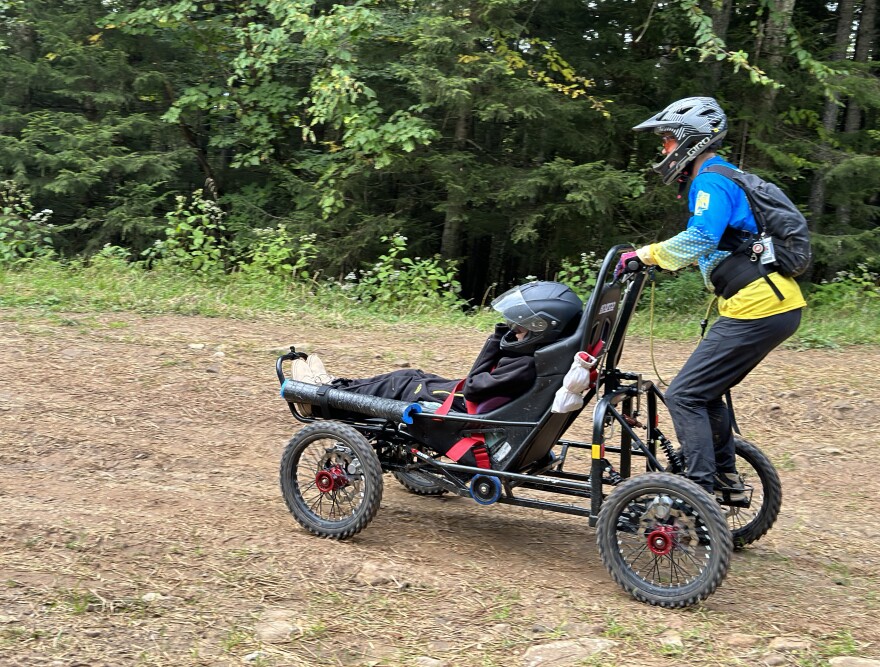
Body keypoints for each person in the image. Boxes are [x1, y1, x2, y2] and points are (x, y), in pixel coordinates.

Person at [620, 96, 806, 500]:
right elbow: (718, 244)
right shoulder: (724, 175)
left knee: (684, 394)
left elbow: (702, 236)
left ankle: (695, 491)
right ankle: (725, 480)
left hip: (759, 306)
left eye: (667, 141)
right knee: (705, 393)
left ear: (690, 140)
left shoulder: (710, 179)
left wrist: (643, 254)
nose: (663, 150)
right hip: (773, 305)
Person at [291, 281, 583, 415]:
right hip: (467, 401)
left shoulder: (524, 366)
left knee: (399, 383)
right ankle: (332, 386)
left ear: (542, 330)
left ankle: (320, 397)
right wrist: (508, 340)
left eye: (519, 326)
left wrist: (495, 340)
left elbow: (473, 385)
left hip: (461, 409)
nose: (513, 330)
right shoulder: (539, 359)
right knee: (411, 375)